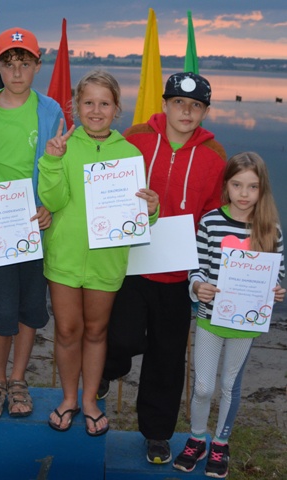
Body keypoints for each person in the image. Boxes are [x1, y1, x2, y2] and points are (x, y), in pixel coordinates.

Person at [101, 72, 228, 462]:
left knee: (168, 355)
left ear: (205, 111)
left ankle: (157, 433)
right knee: (121, 337)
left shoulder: (214, 155)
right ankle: (109, 368)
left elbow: (213, 214)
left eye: (195, 106)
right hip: (133, 261)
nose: (186, 111)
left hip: (180, 272)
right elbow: (108, 183)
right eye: (178, 103)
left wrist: (212, 266)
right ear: (165, 104)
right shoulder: (136, 138)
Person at [38, 70, 160, 436]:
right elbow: (53, 200)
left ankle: (90, 399)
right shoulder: (62, 146)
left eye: (104, 103)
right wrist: (51, 160)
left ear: (116, 108)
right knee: (66, 330)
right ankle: (69, 398)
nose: (95, 110)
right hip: (64, 257)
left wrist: (151, 209)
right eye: (88, 102)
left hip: (107, 261)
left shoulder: (130, 154)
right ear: (76, 105)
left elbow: (137, 216)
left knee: (96, 331)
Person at [0, 27, 64, 418]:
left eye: (25, 63)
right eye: (8, 63)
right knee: (2, 306)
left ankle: (19, 378)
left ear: (38, 65)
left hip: (35, 223)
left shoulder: (51, 111)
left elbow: (59, 167)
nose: (17, 72)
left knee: (30, 305)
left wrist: (49, 206)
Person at [172, 152, 285, 478]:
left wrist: (276, 290)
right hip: (210, 317)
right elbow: (196, 267)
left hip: (246, 322)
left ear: (262, 189)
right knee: (203, 386)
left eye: (252, 186)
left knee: (229, 385)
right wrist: (198, 286)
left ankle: (221, 442)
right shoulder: (210, 222)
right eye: (237, 185)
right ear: (226, 185)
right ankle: (197, 438)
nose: (244, 193)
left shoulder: (271, 229)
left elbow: (275, 274)